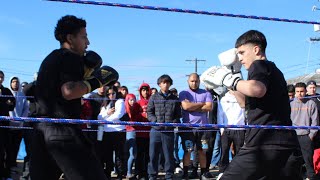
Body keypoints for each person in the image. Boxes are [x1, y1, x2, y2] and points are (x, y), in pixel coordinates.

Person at [30, 15, 118, 180]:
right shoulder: (71, 57)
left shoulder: (50, 58)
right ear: (70, 38)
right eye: (84, 36)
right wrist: (96, 80)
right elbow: (69, 91)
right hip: (63, 131)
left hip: (41, 131)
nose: (88, 42)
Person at [207, 30, 299, 179]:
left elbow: (257, 89)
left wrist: (227, 79)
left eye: (242, 52)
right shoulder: (275, 71)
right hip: (286, 145)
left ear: (256, 49)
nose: (240, 58)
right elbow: (245, 104)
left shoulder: (259, 65)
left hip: (263, 143)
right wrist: (231, 79)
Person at [179, 73, 213, 179]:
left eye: (196, 81)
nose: (194, 83)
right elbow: (185, 106)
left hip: (203, 128)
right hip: (188, 128)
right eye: (192, 81)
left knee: (202, 151)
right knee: (187, 151)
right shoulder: (183, 93)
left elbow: (209, 107)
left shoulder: (206, 93)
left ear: (199, 81)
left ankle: (203, 173)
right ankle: (185, 173)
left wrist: (192, 106)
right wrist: (201, 104)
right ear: (188, 81)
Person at [147, 74, 181, 180]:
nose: (165, 84)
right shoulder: (153, 97)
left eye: (167, 82)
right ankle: (152, 176)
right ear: (159, 84)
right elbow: (149, 112)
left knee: (168, 156)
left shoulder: (175, 98)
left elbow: (177, 114)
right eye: (163, 82)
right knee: (152, 155)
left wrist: (172, 122)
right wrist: (155, 121)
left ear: (170, 84)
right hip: (155, 130)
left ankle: (169, 176)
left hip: (168, 131)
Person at [291, 82, 319, 179]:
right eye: (297, 91)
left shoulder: (311, 103)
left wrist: (310, 136)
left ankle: (311, 178)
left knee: (308, 161)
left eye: (302, 91)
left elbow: (315, 122)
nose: (299, 93)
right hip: (293, 137)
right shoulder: (290, 104)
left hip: (306, 137)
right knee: (294, 160)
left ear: (305, 91)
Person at [98, 86, 127, 180]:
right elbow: (99, 117)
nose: (111, 95)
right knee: (107, 155)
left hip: (118, 131)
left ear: (116, 93)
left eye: (113, 93)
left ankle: (120, 174)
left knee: (119, 155)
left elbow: (118, 115)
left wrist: (105, 119)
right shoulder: (105, 104)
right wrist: (107, 113)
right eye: (109, 94)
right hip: (107, 132)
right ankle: (108, 174)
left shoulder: (120, 101)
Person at [217, 90, 245, 178]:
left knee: (239, 151)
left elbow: (245, 113)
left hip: (240, 128)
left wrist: (246, 127)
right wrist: (221, 129)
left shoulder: (243, 97)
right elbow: (220, 114)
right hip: (226, 129)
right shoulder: (224, 99)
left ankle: (238, 171)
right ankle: (223, 171)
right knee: (224, 151)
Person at [0, 71, 16, 180]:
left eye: (2, 77)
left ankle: (5, 173)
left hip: (4, 124)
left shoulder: (6, 90)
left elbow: (12, 102)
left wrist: (8, 104)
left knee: (6, 149)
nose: (0, 79)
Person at [135, 83, 152, 180]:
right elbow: (134, 116)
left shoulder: (152, 101)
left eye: (146, 90)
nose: (145, 92)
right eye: (143, 90)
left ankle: (147, 173)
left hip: (150, 133)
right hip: (140, 132)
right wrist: (143, 115)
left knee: (149, 154)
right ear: (140, 91)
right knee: (140, 154)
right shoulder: (137, 103)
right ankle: (139, 173)